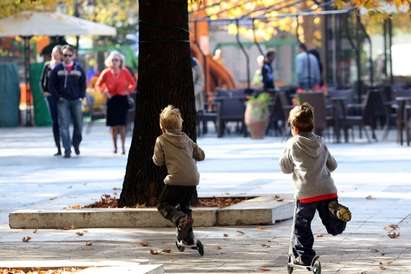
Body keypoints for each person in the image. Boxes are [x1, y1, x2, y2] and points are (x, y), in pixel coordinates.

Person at [279, 103, 351, 266]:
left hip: (306, 195)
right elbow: (333, 165)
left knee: (301, 226)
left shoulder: (292, 143)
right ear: (312, 124)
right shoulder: (321, 142)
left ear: (294, 126)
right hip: (328, 191)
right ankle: (340, 220)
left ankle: (305, 256)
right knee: (332, 227)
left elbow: (285, 168)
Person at [153, 105, 205, 245]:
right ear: (180, 125)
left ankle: (180, 220)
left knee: (163, 205)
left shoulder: (161, 140)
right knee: (185, 207)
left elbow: (158, 161)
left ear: (162, 127)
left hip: (175, 180)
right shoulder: (186, 138)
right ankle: (188, 238)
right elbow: (200, 155)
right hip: (192, 180)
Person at [49, 45, 86, 158]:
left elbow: (83, 84)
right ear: (62, 56)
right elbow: (51, 85)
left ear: (73, 56)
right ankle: (67, 150)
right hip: (62, 101)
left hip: (76, 100)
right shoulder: (57, 69)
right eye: (65, 55)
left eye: (70, 55)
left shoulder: (79, 69)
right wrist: (58, 97)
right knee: (64, 126)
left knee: (79, 126)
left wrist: (81, 96)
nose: (67, 57)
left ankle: (76, 144)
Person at [96, 51, 136, 154]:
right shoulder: (106, 72)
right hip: (112, 99)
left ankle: (123, 147)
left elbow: (133, 83)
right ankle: (115, 147)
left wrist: (128, 91)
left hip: (122, 99)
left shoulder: (125, 71)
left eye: (116, 60)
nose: (114, 62)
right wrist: (105, 92)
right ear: (109, 61)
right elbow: (98, 85)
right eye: (113, 60)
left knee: (122, 125)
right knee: (113, 126)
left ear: (120, 62)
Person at [40, 45, 63, 156]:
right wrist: (44, 91)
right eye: (53, 52)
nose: (54, 54)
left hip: (62, 97)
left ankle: (67, 144)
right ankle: (58, 146)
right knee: (55, 122)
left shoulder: (63, 66)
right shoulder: (47, 65)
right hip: (50, 97)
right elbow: (42, 80)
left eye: (56, 52)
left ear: (61, 54)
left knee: (64, 120)